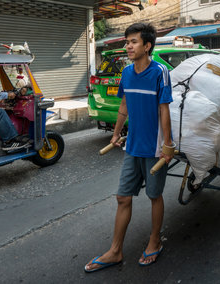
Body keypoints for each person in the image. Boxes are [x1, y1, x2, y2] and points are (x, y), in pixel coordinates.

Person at [84, 23, 174, 272]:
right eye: (126, 42)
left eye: (133, 41)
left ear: (147, 46)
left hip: (155, 147)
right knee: (123, 197)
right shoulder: (126, 73)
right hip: (133, 146)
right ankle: (115, 251)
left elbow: (164, 109)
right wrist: (115, 134)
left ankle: (155, 240)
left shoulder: (160, 72)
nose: (128, 46)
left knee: (154, 196)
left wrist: (168, 145)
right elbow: (124, 104)